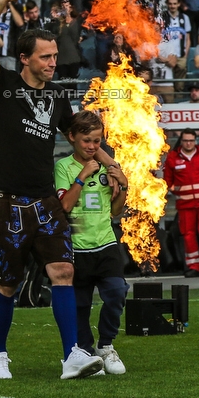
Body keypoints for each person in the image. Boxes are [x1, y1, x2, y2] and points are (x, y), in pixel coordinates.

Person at [0, 0, 105, 380]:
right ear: (26, 57)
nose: (52, 62)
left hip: (45, 199)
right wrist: (0, 1)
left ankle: (72, 357)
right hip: (5, 199)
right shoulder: (5, 85)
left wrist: (111, 162)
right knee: (9, 282)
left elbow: (83, 137)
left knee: (62, 271)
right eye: (45, 57)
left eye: (54, 55)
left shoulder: (59, 97)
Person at [56, 110, 129, 375]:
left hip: (106, 242)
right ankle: (85, 351)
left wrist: (123, 186)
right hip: (76, 246)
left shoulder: (107, 167)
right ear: (72, 138)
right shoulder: (63, 167)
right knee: (80, 305)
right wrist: (82, 175)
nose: (92, 146)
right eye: (86, 140)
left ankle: (106, 345)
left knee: (117, 293)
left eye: (97, 141)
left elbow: (116, 211)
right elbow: (65, 204)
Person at [163, 129, 199, 278]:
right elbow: (168, 181)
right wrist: (179, 191)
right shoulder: (172, 157)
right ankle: (193, 267)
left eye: (191, 140)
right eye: (185, 141)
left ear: (195, 141)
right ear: (181, 141)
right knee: (188, 236)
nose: (188, 143)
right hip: (185, 205)